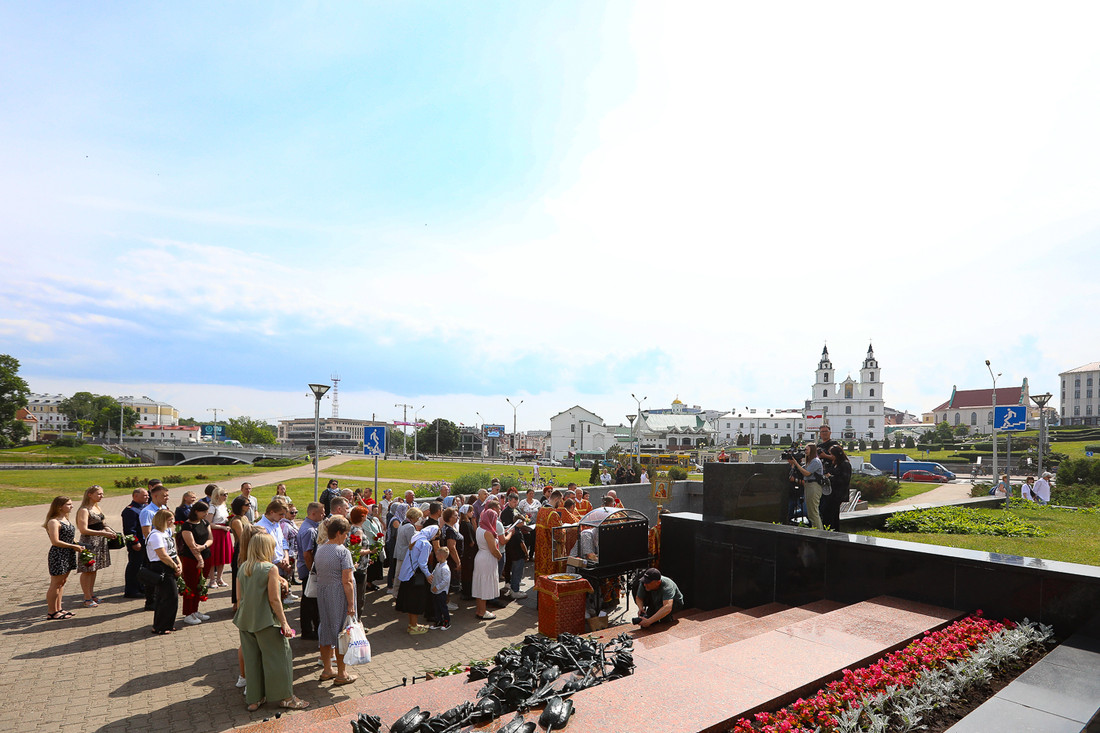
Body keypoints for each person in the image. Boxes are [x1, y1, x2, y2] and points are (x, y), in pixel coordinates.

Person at [233, 532, 309, 712]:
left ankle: (254, 699)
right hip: (266, 620)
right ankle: (286, 698)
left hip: (245, 620)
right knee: (280, 658)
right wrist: (284, 623)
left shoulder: (243, 567)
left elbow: (239, 598)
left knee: (252, 660)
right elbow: (274, 599)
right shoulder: (269, 568)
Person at [313, 515, 358, 686]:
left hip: (324, 594)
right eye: (346, 533)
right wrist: (351, 604)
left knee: (325, 630)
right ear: (339, 533)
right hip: (339, 594)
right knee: (341, 633)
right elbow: (346, 581)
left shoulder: (321, 549)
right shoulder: (342, 551)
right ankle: (341, 673)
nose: (346, 537)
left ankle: (327, 669)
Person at [75, 485, 115, 607]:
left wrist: (109, 531)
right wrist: (102, 533)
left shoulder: (97, 507)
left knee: (94, 569)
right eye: (99, 494)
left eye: (102, 494)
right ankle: (87, 598)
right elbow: (83, 529)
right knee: (87, 570)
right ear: (90, 495)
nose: (101, 496)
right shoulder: (84, 510)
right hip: (89, 542)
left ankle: (91, 594)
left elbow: (102, 523)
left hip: (100, 542)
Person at [44, 496, 82, 619]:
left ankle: (59, 608)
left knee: (62, 582)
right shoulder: (54, 522)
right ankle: (52, 612)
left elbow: (70, 537)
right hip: (58, 554)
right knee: (55, 583)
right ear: (60, 506)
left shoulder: (65, 518)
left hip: (68, 553)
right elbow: (55, 541)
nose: (72, 506)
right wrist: (73, 546)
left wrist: (78, 545)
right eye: (69, 504)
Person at [145, 509, 182, 635]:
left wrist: (179, 563)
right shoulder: (155, 535)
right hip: (161, 566)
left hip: (170, 564)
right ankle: (160, 626)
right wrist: (174, 566)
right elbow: (162, 555)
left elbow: (172, 551)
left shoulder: (166, 532)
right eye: (169, 519)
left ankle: (167, 624)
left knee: (169, 597)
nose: (172, 522)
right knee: (168, 597)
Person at [397, 523, 438, 634]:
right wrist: (428, 574)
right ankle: (414, 626)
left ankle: (412, 624)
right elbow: (422, 562)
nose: (435, 538)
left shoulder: (416, 538)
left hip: (407, 574)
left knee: (410, 600)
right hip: (415, 575)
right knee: (415, 601)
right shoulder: (426, 544)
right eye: (436, 536)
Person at [473, 507, 512, 620]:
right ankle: (483, 611)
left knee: (480, 584)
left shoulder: (480, 529)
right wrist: (499, 556)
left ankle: (480, 609)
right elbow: (493, 550)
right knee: (485, 584)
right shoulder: (488, 532)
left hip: (481, 556)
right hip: (487, 559)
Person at [180, 502, 213, 625]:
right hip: (192, 559)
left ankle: (195, 610)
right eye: (203, 512)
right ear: (196, 511)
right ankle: (188, 613)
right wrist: (200, 559)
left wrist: (204, 546)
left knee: (200, 585)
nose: (206, 514)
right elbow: (191, 545)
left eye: (206, 511)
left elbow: (210, 539)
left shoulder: (205, 523)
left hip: (206, 555)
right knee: (191, 585)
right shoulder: (187, 526)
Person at [139, 482, 170, 611]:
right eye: (164, 496)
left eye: (167, 495)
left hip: (165, 546)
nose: (167, 498)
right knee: (153, 576)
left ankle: (160, 598)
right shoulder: (148, 512)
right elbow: (146, 532)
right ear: (155, 496)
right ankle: (150, 600)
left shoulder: (163, 509)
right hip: (155, 549)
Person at [295, 502, 324, 639]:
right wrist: (313, 572)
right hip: (308, 571)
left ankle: (309, 629)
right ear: (313, 513)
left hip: (308, 570)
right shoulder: (309, 530)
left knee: (309, 601)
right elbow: (307, 554)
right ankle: (307, 631)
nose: (323, 514)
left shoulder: (312, 527)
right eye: (321, 512)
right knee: (309, 602)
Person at [255, 502, 293, 602]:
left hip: (282, 564)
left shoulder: (277, 524)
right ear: (272, 512)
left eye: (284, 514)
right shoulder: (261, 527)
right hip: (270, 566)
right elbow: (265, 550)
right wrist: (279, 563)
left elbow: (283, 541)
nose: (283, 517)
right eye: (281, 514)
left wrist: (286, 556)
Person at [788, 443, 825, 530]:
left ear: (812, 450)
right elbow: (801, 470)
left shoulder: (815, 461)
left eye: (807, 449)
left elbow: (806, 473)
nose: (805, 451)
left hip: (814, 486)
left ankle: (819, 532)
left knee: (813, 512)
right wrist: (794, 464)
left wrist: (796, 464)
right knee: (810, 512)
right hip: (808, 485)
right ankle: (816, 530)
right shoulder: (810, 462)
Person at [499, 493, 529, 599]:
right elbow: (507, 528)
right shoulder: (506, 512)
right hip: (511, 543)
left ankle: (514, 584)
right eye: (514, 502)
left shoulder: (516, 510)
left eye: (517, 501)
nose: (516, 504)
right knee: (513, 566)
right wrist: (526, 553)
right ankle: (511, 585)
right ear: (509, 501)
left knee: (516, 569)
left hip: (514, 539)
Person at [121, 487, 149, 597]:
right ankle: (131, 590)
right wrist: (134, 542)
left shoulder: (144, 507)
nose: (147, 497)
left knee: (143, 566)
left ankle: (141, 587)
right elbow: (129, 530)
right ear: (135, 496)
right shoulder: (130, 510)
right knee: (135, 566)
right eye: (144, 495)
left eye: (147, 495)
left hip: (145, 542)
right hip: (137, 543)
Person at [391, 506, 422, 598]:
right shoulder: (410, 527)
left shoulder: (402, 523)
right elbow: (411, 542)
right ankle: (398, 593)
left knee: (398, 573)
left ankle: (396, 592)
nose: (418, 519)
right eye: (417, 517)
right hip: (405, 554)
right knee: (401, 574)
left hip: (400, 551)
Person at [820, 445, 852, 531]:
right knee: (830, 514)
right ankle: (832, 529)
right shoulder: (835, 464)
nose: (830, 457)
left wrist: (830, 477)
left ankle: (833, 530)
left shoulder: (845, 464)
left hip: (838, 494)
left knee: (831, 514)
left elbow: (844, 480)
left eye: (832, 455)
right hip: (832, 493)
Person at [229, 495, 253, 609]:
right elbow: (243, 537)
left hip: (247, 547)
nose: (249, 507)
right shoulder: (236, 521)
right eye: (247, 505)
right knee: (239, 575)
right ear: (240, 506)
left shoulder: (245, 518)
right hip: (241, 549)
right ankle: (237, 603)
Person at [207, 486, 232, 587]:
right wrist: (221, 528)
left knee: (222, 556)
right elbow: (208, 522)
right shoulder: (213, 507)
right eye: (223, 495)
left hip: (224, 533)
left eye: (226, 494)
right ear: (217, 496)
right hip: (215, 533)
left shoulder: (224, 506)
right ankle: (212, 579)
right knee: (214, 557)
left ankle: (220, 578)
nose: (225, 496)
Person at [440, 507, 463, 603]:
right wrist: (458, 562)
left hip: (450, 559)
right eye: (455, 515)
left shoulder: (449, 527)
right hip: (451, 560)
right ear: (449, 517)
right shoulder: (449, 530)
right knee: (449, 582)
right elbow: (452, 547)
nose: (457, 517)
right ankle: (446, 602)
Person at [429, 546, 451, 630]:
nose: (436, 556)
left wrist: (437, 587)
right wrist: (431, 576)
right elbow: (434, 572)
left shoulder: (445, 568)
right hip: (435, 591)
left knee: (442, 607)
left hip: (441, 591)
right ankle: (438, 621)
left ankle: (446, 622)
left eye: (437, 555)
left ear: (441, 556)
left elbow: (445, 581)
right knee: (436, 607)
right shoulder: (438, 565)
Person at [458, 505, 478, 599]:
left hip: (467, 552)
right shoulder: (465, 524)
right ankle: (468, 593)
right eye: (471, 511)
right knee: (468, 573)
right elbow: (471, 542)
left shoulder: (465, 523)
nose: (472, 513)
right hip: (469, 553)